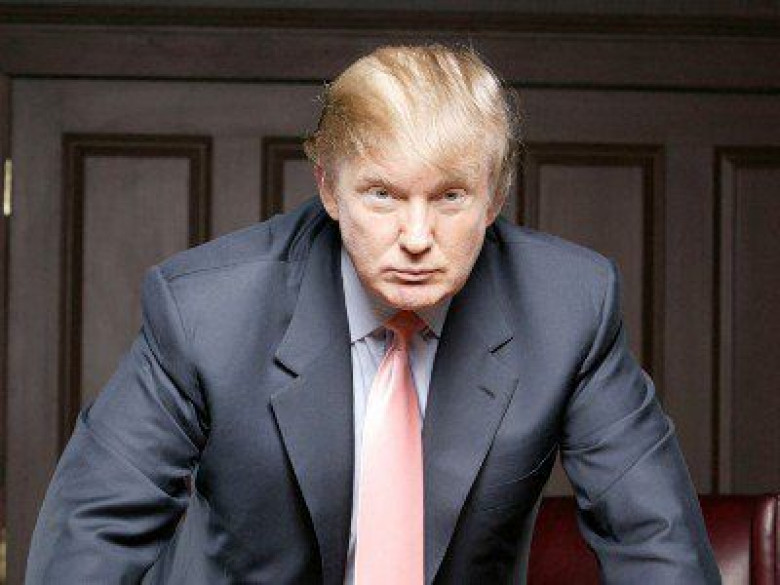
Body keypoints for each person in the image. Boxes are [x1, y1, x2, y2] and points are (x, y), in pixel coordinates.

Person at [25, 44, 720, 584]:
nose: (416, 236)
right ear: (329, 188)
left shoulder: (568, 306)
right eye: (383, 194)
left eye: (450, 197)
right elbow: (92, 535)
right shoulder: (207, 310)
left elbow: (655, 538)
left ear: (496, 195)